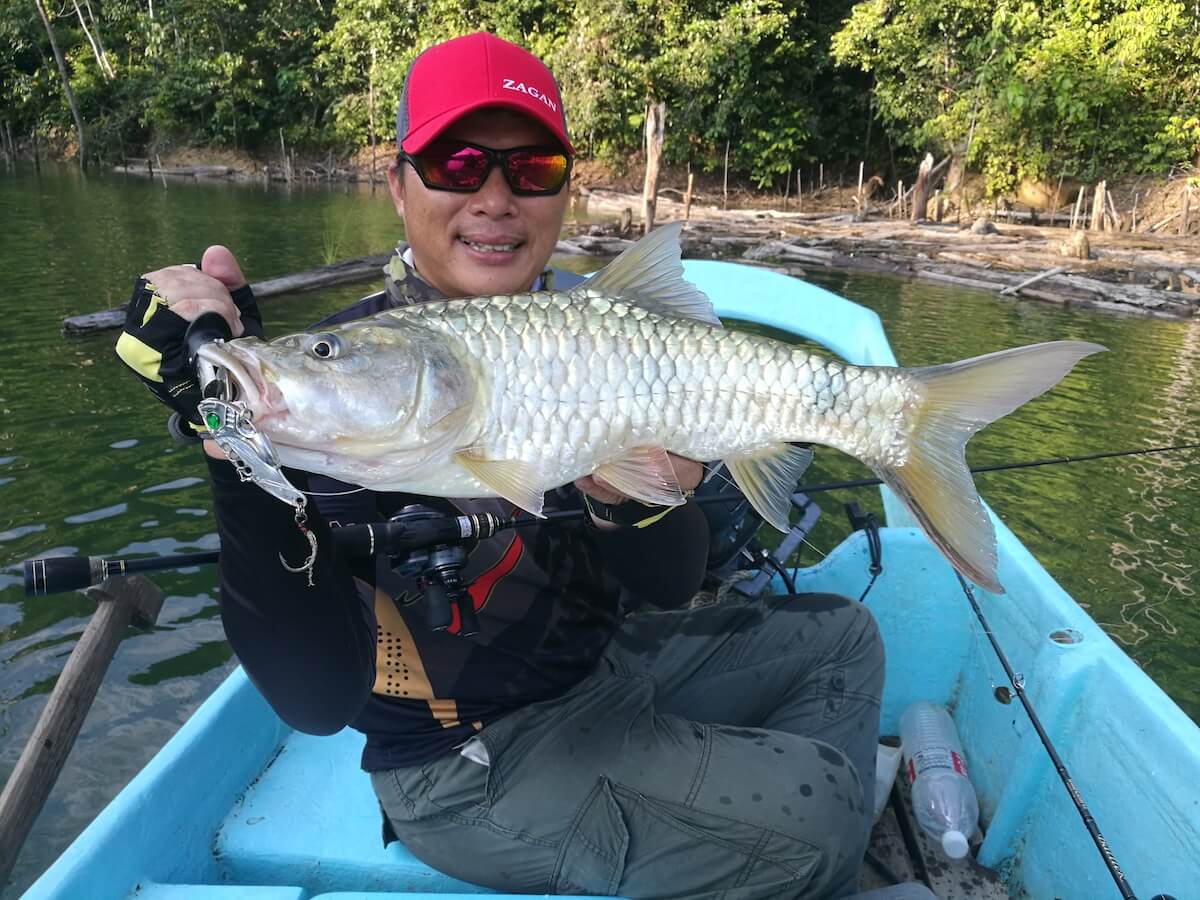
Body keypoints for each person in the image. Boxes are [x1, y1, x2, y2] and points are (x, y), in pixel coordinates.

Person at [115, 32, 884, 899]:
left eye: (532, 168)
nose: (494, 198)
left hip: (601, 673)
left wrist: (628, 497)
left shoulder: (595, 332)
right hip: (465, 765)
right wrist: (233, 444)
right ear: (398, 186)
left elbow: (670, 583)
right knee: (822, 820)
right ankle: (789, 851)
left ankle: (761, 853)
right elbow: (312, 703)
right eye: (456, 162)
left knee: (844, 639)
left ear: (563, 192)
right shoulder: (337, 401)